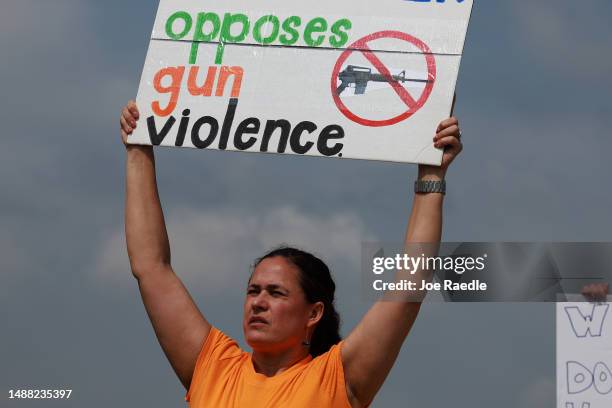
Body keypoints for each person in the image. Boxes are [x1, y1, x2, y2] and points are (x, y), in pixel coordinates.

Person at [119, 100, 463, 407]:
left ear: (314, 313)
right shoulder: (213, 369)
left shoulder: (336, 379)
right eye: (253, 290)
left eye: (276, 292)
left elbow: (407, 289)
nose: (258, 301)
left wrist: (431, 175)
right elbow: (151, 267)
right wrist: (138, 151)